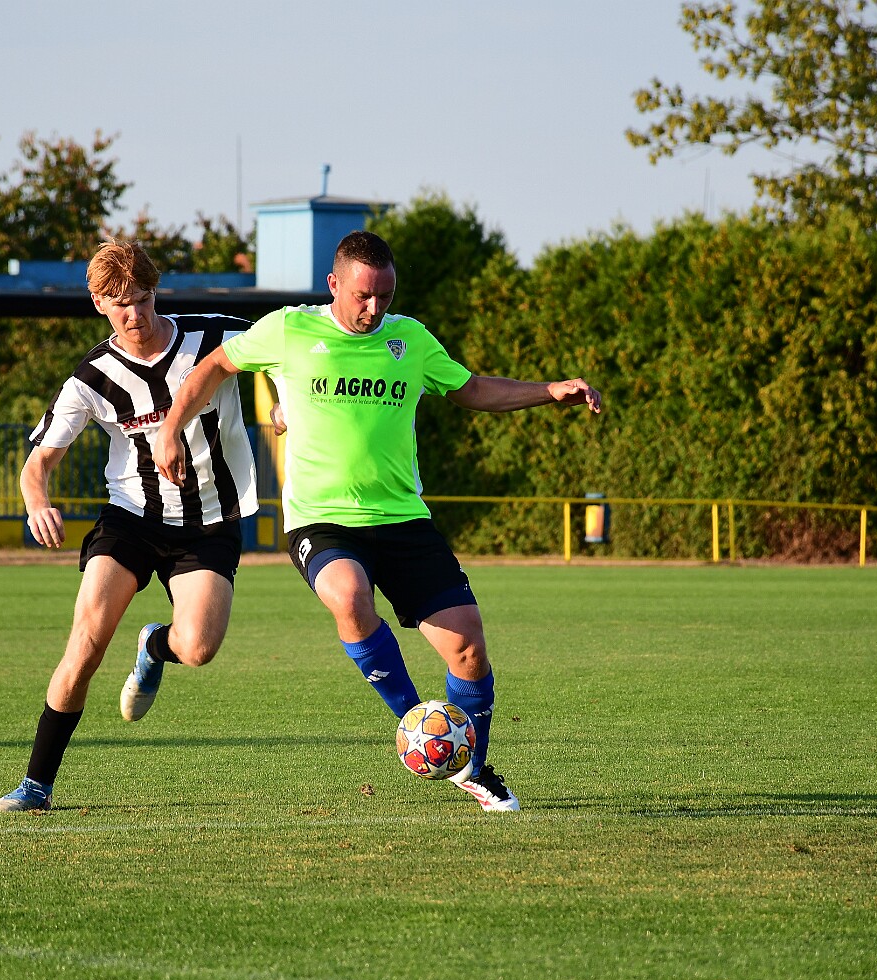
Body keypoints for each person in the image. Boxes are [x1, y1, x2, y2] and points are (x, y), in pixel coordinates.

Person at [154, 230, 602, 812]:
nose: (374, 308)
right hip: (321, 519)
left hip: (403, 519)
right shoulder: (290, 329)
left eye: (385, 297)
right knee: (348, 594)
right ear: (334, 284)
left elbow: (471, 389)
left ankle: (472, 768)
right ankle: (419, 726)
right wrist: (170, 428)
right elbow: (216, 365)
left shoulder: (409, 339)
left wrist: (549, 391)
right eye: (363, 295)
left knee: (468, 648)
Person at [0, 239, 259, 813]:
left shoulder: (213, 336)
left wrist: (286, 406)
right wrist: (37, 503)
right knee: (86, 644)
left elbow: (293, 345)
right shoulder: (92, 376)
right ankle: (35, 786)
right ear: (99, 304)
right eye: (120, 304)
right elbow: (37, 463)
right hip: (131, 519)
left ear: (155, 292)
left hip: (210, 522)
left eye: (142, 299)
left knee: (199, 648)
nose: (134, 314)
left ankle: (154, 646)